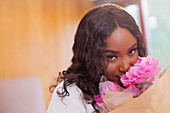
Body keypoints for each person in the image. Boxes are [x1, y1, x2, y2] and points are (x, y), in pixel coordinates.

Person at [46, 3, 146, 113]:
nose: (126, 66)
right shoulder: (70, 95)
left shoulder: (145, 85)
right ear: (90, 56)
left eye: (131, 51)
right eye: (112, 57)